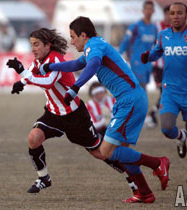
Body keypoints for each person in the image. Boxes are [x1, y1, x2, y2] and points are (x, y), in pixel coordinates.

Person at [39, 16, 170, 203]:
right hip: (130, 99)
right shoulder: (95, 45)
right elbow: (77, 64)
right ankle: (145, 193)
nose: (72, 41)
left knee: (107, 152)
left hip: (129, 100)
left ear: (84, 35)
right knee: (123, 153)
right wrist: (51, 66)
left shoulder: (94, 46)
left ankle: (158, 163)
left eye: (73, 36)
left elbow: (92, 65)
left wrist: (75, 88)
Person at [6, 28, 135, 195]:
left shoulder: (56, 60)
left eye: (36, 45)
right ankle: (44, 178)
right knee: (34, 138)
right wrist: (22, 81)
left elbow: (48, 81)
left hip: (75, 116)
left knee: (99, 153)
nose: (33, 49)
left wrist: (23, 74)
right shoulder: (39, 60)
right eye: (31, 45)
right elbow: (32, 73)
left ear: (47, 45)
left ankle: (131, 176)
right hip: (53, 113)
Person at [141, 2, 187, 182]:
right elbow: (156, 53)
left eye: (179, 13)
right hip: (170, 91)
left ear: (186, 15)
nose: (175, 16)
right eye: (172, 13)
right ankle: (180, 137)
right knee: (166, 127)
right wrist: (147, 57)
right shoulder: (163, 35)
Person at [119, 0, 157, 91]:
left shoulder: (154, 28)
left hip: (147, 62)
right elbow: (125, 41)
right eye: (146, 9)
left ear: (153, 11)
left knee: (144, 85)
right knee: (140, 86)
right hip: (136, 61)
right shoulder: (135, 26)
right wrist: (119, 55)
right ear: (143, 11)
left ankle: (140, 104)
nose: (148, 11)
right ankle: (142, 104)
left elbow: (156, 45)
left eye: (150, 9)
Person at [147, 5, 171, 128]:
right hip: (158, 66)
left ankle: (154, 113)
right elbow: (148, 41)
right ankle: (153, 114)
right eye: (168, 13)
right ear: (164, 14)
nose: (170, 16)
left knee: (167, 92)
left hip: (170, 67)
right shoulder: (156, 26)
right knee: (164, 91)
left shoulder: (175, 29)